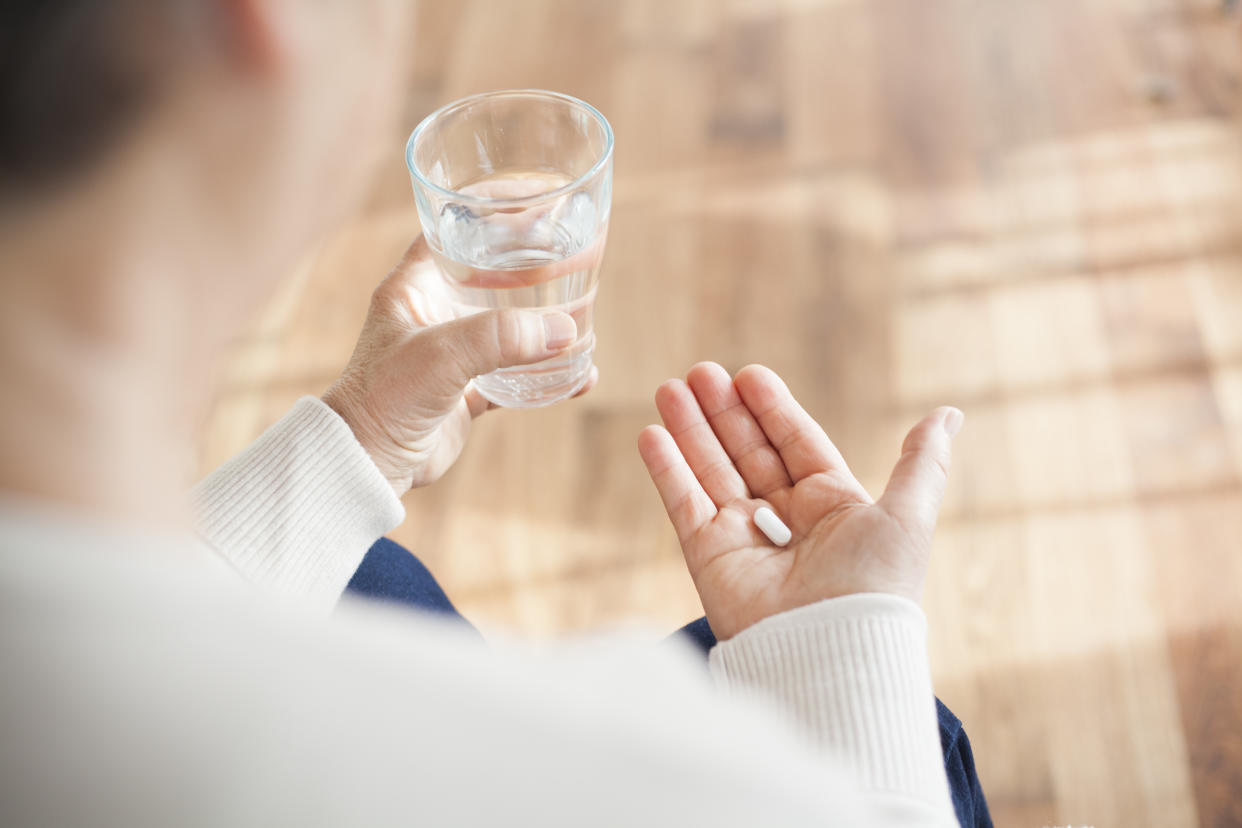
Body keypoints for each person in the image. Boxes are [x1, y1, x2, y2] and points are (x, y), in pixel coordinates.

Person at [0, 1, 988, 826]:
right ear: (271, 16)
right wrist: (849, 650)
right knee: (907, 730)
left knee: (362, 572)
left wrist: (356, 444)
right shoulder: (649, 785)